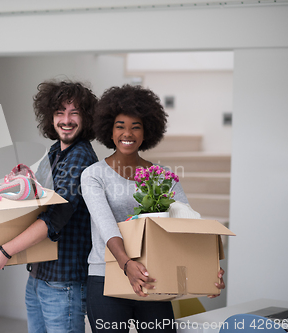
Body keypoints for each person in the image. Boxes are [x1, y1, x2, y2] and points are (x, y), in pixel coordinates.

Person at [80, 84, 225, 333]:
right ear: (109, 130)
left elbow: (186, 223)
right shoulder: (94, 175)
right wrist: (127, 264)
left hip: (153, 277)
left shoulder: (162, 175)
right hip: (106, 277)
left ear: (147, 131)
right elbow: (106, 226)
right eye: (120, 126)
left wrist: (207, 268)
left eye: (136, 126)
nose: (128, 133)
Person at [0, 80, 98, 333]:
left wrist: (5, 250)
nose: (66, 120)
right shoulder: (55, 152)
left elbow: (55, 216)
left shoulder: (80, 156)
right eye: (59, 113)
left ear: (87, 118)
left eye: (74, 112)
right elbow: (31, 210)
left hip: (62, 279)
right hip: (39, 273)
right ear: (50, 117)